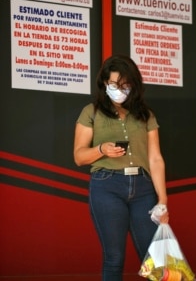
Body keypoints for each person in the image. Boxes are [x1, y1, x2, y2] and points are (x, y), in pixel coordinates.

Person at [74, 54, 169, 281]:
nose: (119, 90)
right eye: (114, 85)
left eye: (125, 85)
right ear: (104, 83)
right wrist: (101, 150)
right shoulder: (91, 112)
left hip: (143, 188)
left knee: (154, 259)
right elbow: (79, 156)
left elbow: (155, 158)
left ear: (133, 86)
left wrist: (163, 200)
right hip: (107, 186)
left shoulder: (145, 115)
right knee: (114, 257)